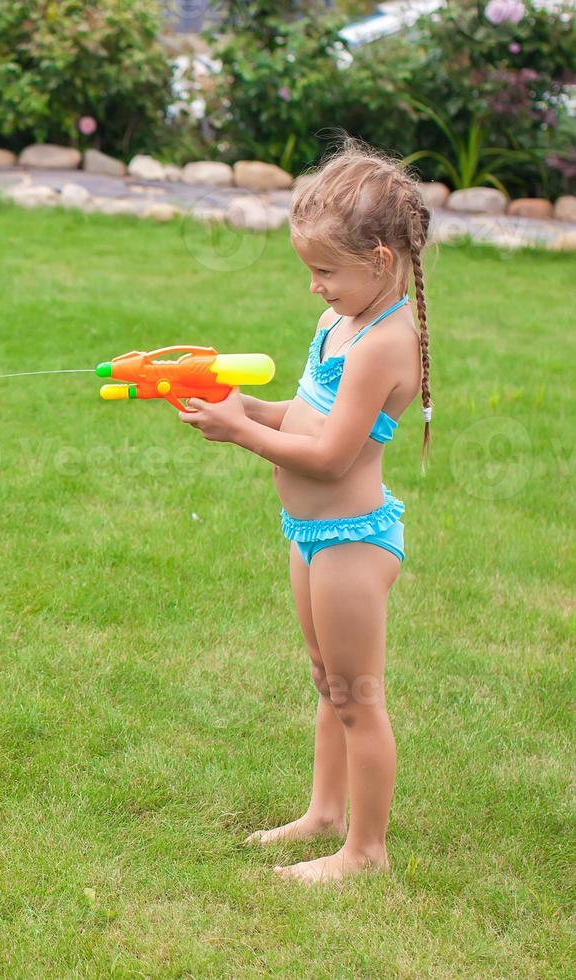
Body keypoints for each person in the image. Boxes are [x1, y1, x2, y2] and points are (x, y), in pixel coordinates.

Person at [177, 138, 434, 882]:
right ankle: (324, 814)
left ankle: (365, 853)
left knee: (358, 696)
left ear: (381, 259)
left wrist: (240, 434)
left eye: (326, 270)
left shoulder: (385, 345)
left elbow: (331, 457)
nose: (315, 286)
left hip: (353, 540)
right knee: (328, 681)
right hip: (310, 533)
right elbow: (309, 412)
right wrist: (250, 406)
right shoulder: (339, 323)